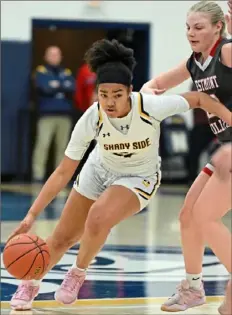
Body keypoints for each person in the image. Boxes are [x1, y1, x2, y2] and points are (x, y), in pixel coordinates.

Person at [8, 39, 231, 311]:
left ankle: (77, 274)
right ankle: (30, 283)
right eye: (103, 95)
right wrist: (31, 215)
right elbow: (63, 171)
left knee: (98, 216)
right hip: (99, 170)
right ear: (96, 94)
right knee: (61, 237)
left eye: (117, 94)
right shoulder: (92, 117)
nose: (110, 102)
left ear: (129, 92)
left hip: (138, 177)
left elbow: (199, 98)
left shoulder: (149, 107)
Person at [141, 1, 232, 313]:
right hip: (225, 147)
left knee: (206, 217)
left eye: (200, 27)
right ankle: (193, 287)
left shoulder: (227, 52)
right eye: (188, 27)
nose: (191, 33)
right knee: (188, 216)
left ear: (218, 27)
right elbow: (155, 85)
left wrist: (212, 106)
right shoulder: (196, 62)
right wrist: (145, 100)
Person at [32, 46, 75, 182]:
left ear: (61, 57)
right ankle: (37, 176)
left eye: (57, 55)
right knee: (43, 145)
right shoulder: (41, 71)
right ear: (46, 56)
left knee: (62, 148)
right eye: (51, 54)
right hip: (47, 115)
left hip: (64, 115)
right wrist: (61, 86)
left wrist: (55, 86)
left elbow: (72, 87)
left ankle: (60, 177)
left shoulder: (66, 71)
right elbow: (44, 87)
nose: (54, 57)